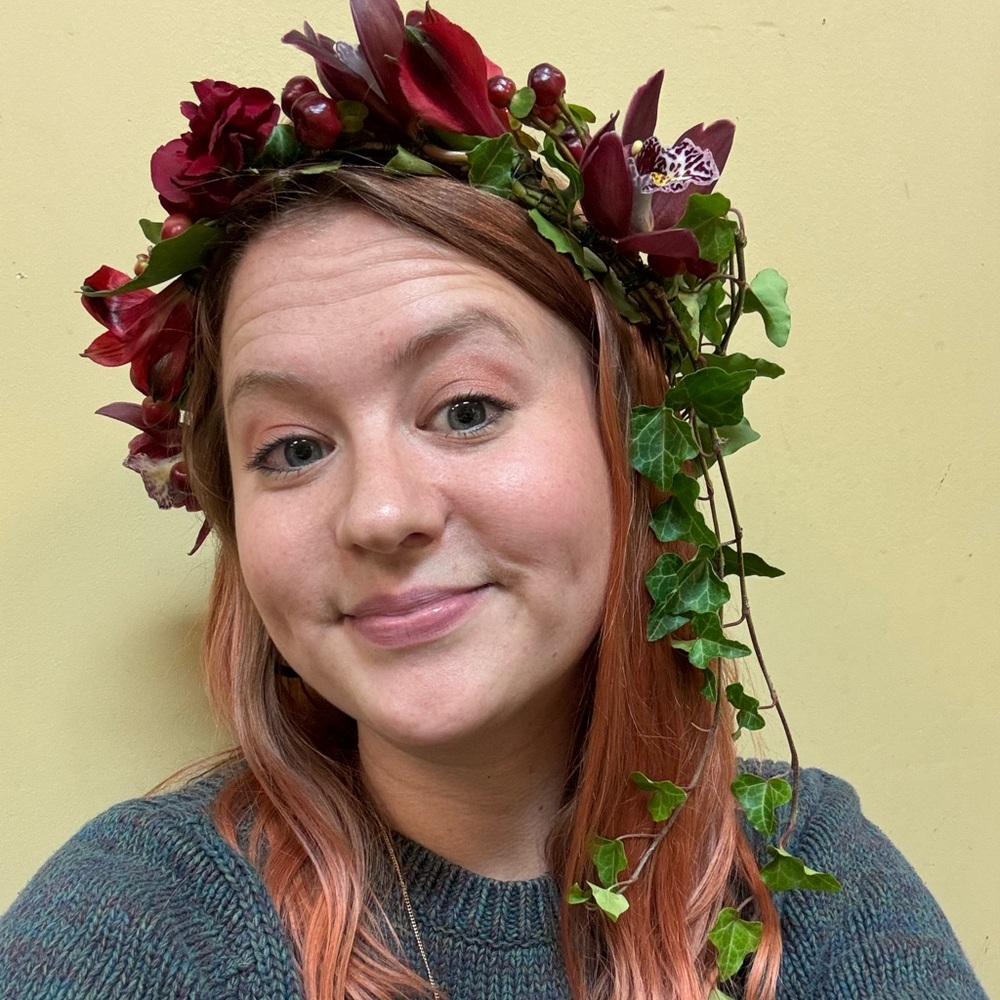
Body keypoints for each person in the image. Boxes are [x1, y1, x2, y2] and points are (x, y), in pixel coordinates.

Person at [0, 2, 988, 999]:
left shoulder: (800, 878)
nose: (380, 513)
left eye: (466, 408)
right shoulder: (143, 914)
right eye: (293, 447)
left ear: (632, 438)